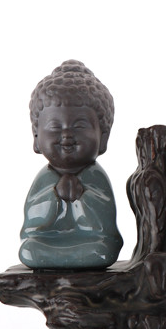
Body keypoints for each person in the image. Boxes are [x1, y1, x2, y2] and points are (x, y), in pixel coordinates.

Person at [20, 60, 123, 269]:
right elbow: (32, 222)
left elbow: (105, 223)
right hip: (46, 242)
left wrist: (83, 196)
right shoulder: (45, 177)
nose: (66, 134)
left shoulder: (96, 176)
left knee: (102, 251)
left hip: (92, 243)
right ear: (36, 137)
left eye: (79, 126)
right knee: (29, 249)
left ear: (103, 138)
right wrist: (52, 195)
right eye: (55, 126)